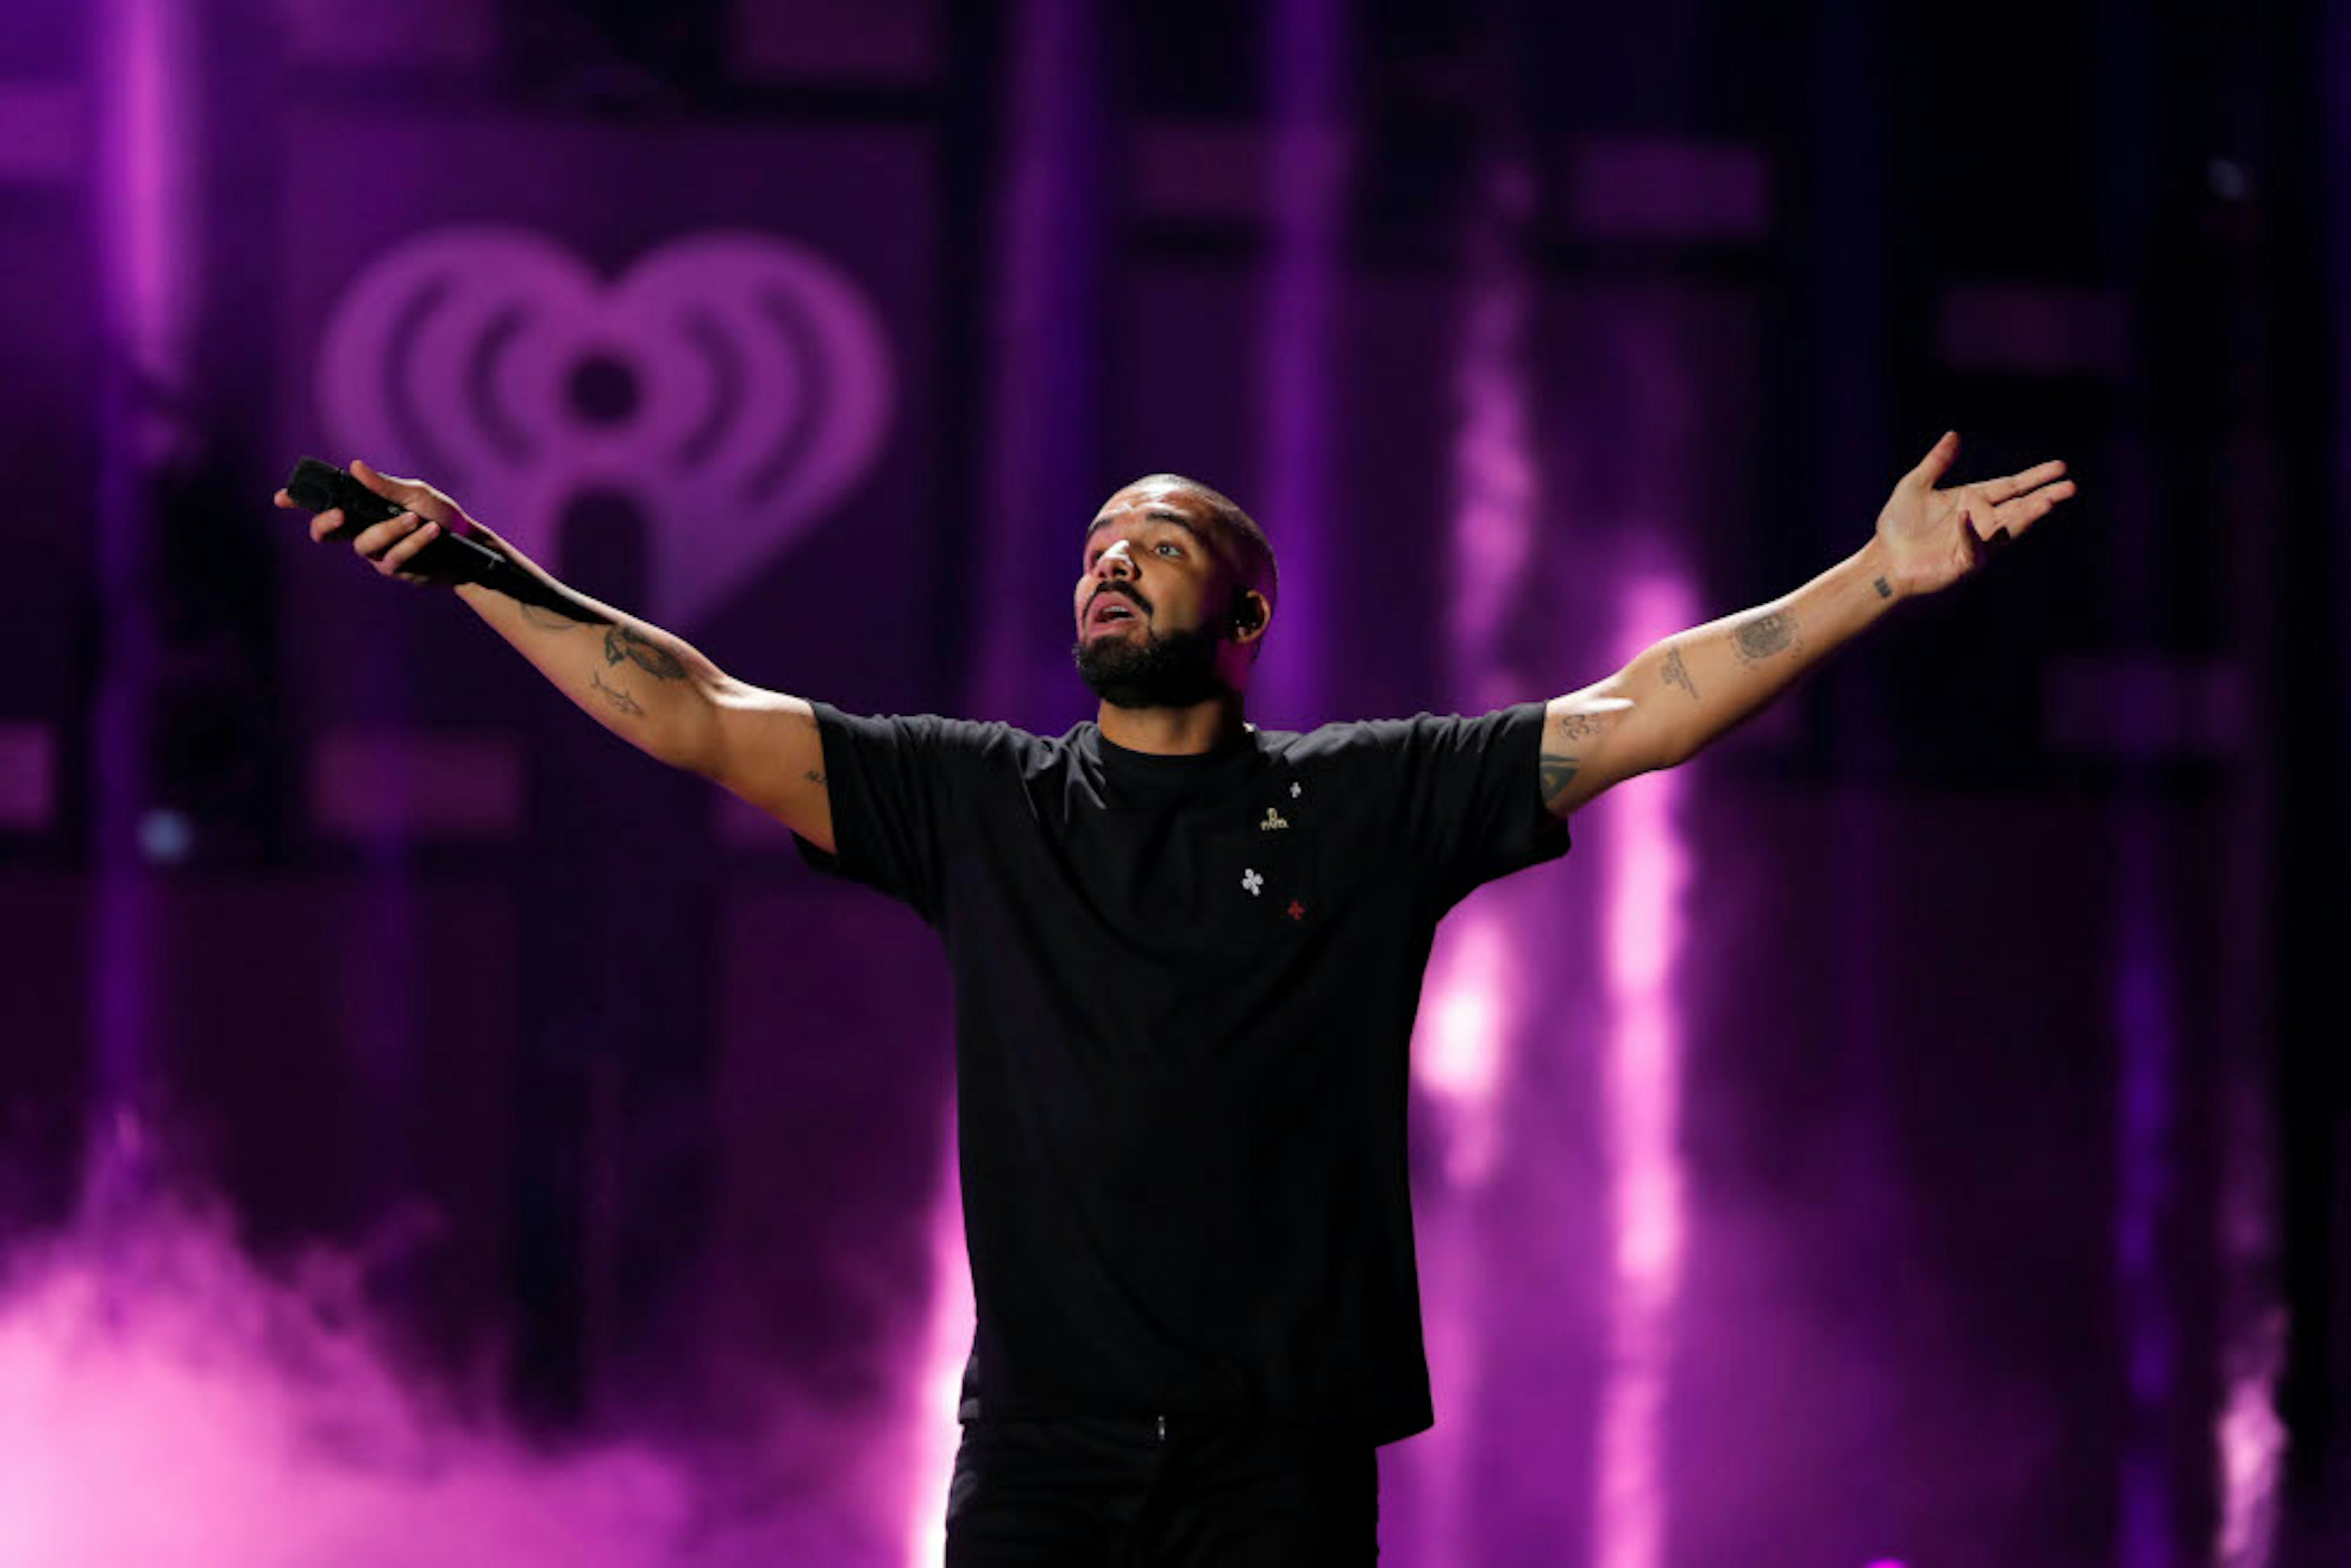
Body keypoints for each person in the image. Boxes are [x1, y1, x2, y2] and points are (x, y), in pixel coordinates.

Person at [276, 432, 2074, 1564]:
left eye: (1157, 537)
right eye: (1094, 545)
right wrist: (485, 568)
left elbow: (1638, 707)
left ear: (1251, 610)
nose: (1112, 557)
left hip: (1278, 1462)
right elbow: (696, 708)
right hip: (1041, 1462)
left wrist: (1875, 578)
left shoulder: (1369, 801)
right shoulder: (981, 803)